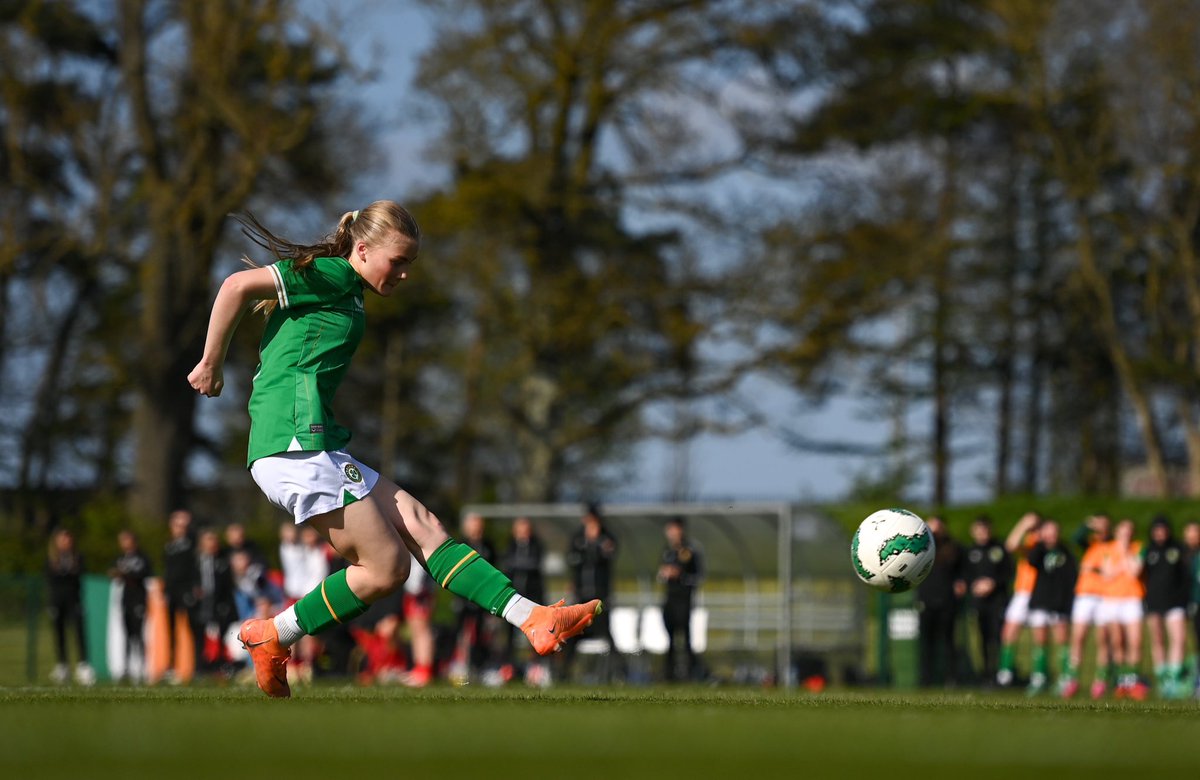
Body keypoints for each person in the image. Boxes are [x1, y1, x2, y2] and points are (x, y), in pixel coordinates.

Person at [187, 201, 599, 698]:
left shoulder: (350, 288)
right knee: (387, 569)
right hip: (292, 445)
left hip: (318, 444)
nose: (403, 274)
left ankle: (534, 619)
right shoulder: (332, 274)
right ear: (361, 249)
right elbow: (235, 285)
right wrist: (211, 362)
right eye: (396, 261)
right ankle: (275, 636)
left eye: (410, 264)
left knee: (424, 527)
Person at [1060, 513, 1112, 699]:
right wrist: (1086, 524)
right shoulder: (1091, 543)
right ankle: (1072, 678)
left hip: (1104, 596)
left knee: (1103, 639)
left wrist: (1095, 570)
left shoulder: (1113, 546)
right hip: (1085, 595)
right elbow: (1075, 538)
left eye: (1103, 525)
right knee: (1078, 638)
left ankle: (1101, 680)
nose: (1100, 529)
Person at [1024, 520, 1076, 696]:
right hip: (1040, 600)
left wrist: (1068, 602)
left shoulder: (1065, 551)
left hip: (1059, 602)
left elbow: (1071, 577)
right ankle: (1040, 677)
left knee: (1062, 641)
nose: (1051, 536)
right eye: (1048, 532)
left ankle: (1064, 678)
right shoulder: (1039, 550)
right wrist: (1038, 541)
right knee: (1040, 640)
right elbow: (1031, 561)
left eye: (1054, 532)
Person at [1141, 515, 1190, 698]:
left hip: (1176, 602)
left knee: (1178, 639)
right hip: (1154, 602)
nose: (1160, 533)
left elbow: (1186, 575)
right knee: (1158, 640)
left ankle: (1175, 677)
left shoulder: (1178, 549)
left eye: (1163, 529)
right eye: (1157, 530)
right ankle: (1163, 680)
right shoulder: (1148, 551)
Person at [961, 515, 1012, 686]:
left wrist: (993, 583)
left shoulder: (999, 549)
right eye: (979, 530)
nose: (983, 533)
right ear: (973, 531)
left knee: (997, 637)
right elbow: (965, 575)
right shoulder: (970, 552)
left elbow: (1008, 573)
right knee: (982, 638)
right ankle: (985, 674)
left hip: (997, 601)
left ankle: (1000, 673)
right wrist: (973, 585)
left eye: (985, 529)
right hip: (979, 602)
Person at [915, 516, 965, 688]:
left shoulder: (953, 548)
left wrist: (961, 582)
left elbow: (963, 570)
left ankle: (951, 678)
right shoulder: (920, 547)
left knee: (948, 642)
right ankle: (926, 679)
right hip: (926, 600)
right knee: (926, 643)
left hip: (946, 601)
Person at [565, 503, 619, 661]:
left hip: (600, 594)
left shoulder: (607, 537)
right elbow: (572, 559)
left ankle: (617, 669)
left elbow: (609, 555)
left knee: (605, 631)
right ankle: (564, 672)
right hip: (581, 594)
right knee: (573, 632)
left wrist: (596, 546)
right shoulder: (578, 538)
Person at [1100, 518, 1147, 699]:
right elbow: (1107, 575)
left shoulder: (1138, 548)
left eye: (1129, 531)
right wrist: (1122, 565)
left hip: (1132, 598)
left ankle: (1133, 680)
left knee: (1135, 640)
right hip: (1112, 599)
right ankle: (1121, 681)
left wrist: (1126, 553)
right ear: (1117, 532)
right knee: (1118, 640)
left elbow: (1135, 571)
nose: (1126, 534)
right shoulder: (1107, 549)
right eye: (1123, 531)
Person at [450, 512, 498, 682]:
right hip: (464, 596)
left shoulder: (488, 546)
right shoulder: (461, 545)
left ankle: (480, 667)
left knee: (481, 633)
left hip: (482, 597)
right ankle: (459, 665)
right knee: (461, 631)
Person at [658, 516, 704, 682]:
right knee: (670, 638)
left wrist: (680, 575)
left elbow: (697, 576)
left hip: (683, 599)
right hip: (669, 598)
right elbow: (661, 573)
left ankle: (691, 673)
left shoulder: (689, 550)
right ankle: (669, 674)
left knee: (684, 637)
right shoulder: (667, 551)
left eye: (675, 529)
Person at [997, 512, 1041, 687]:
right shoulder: (1028, 541)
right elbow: (1010, 545)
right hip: (1023, 592)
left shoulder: (1043, 541)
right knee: (1009, 631)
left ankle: (1040, 674)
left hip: (1040, 592)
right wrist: (1022, 525)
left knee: (1040, 634)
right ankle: (1005, 673)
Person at [45, 529, 94, 686]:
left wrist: (70, 570)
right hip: (57, 600)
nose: (65, 542)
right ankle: (62, 665)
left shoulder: (77, 558)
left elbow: (79, 574)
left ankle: (83, 666)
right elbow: (50, 578)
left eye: (67, 539)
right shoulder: (52, 559)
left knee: (79, 632)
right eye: (61, 539)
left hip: (74, 600)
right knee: (59, 633)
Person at [500, 517, 546, 681]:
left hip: (532, 598)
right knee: (509, 635)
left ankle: (534, 668)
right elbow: (507, 565)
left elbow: (534, 564)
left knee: (533, 634)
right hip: (512, 597)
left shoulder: (536, 545)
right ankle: (508, 668)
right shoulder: (510, 546)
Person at [110, 530, 153, 682]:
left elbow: (145, 574)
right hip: (126, 599)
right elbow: (114, 574)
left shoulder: (142, 558)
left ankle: (142, 667)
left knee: (138, 634)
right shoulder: (120, 558)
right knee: (127, 634)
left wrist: (126, 574)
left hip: (138, 599)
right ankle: (126, 668)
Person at [163, 508, 200, 683]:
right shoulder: (169, 546)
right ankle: (171, 667)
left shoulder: (192, 543)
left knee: (194, 629)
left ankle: (196, 667)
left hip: (186, 591)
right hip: (172, 593)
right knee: (171, 631)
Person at [195, 527, 238, 674]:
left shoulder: (222, 561)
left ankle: (218, 665)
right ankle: (201, 667)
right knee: (200, 636)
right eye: (209, 539)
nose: (212, 543)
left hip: (218, 605)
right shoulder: (197, 561)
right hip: (200, 605)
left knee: (218, 635)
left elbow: (227, 585)